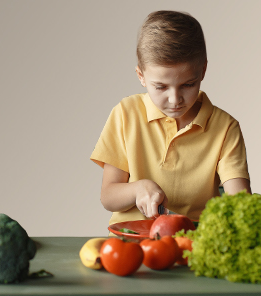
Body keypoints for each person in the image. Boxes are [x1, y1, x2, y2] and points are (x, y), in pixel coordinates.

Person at [91, 11, 251, 225]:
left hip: (191, 242)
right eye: (161, 87)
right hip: (130, 242)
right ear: (141, 76)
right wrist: (139, 187)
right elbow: (108, 197)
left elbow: (240, 203)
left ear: (202, 71)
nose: (175, 99)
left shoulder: (225, 128)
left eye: (187, 84)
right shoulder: (125, 114)